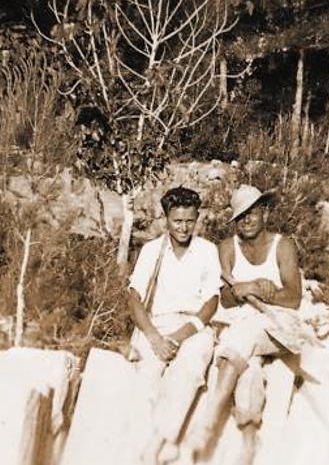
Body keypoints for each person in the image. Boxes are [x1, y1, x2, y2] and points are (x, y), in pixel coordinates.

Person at [188, 184, 305, 457]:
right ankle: (250, 442)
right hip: (241, 326)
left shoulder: (282, 245)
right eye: (241, 216)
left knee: (243, 338)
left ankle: (208, 423)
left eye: (253, 213)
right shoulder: (227, 248)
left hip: (277, 327)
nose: (248, 220)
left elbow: (294, 298)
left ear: (265, 213)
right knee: (249, 367)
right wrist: (245, 288)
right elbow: (224, 299)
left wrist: (265, 292)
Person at [126, 186, 222, 463]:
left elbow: (211, 303)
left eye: (190, 221)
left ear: (197, 218)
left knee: (189, 371)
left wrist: (179, 337)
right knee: (146, 377)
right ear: (166, 218)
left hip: (193, 327)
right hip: (155, 325)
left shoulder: (207, 250)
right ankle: (141, 449)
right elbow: (134, 298)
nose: (183, 227)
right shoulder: (151, 250)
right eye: (177, 221)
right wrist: (155, 338)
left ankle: (161, 444)